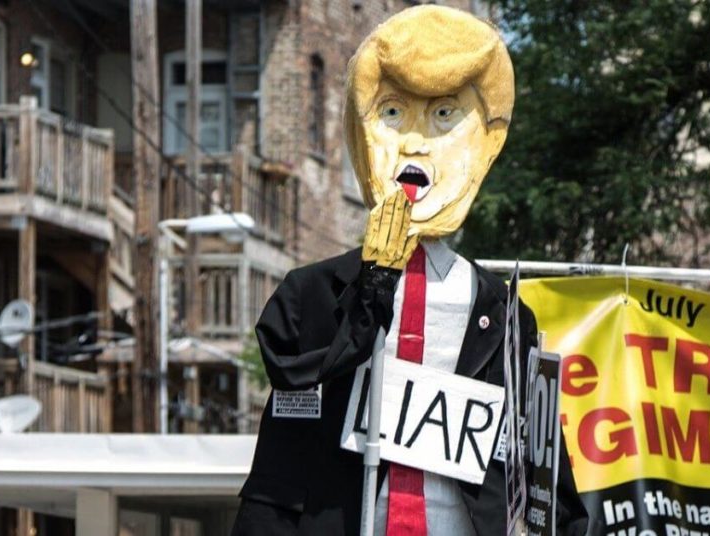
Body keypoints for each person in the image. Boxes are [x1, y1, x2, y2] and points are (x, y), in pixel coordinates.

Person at [231, 6, 588, 536]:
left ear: (488, 142)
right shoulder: (313, 294)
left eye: (445, 116)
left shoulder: (505, 314)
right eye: (394, 114)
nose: (416, 142)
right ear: (359, 132)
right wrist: (371, 288)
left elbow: (538, 467)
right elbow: (293, 372)